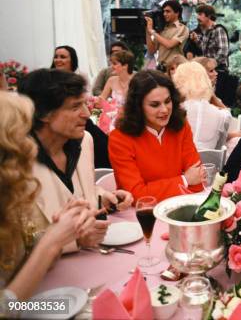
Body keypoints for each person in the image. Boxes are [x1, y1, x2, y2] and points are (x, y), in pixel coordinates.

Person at [18, 69, 133, 252]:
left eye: (85, 104)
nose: (87, 114)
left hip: (90, 261)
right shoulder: (16, 163)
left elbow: (72, 191)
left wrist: (102, 196)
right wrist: (76, 240)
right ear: (42, 113)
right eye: (75, 107)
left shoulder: (84, 141)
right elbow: (16, 242)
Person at [0, 92, 97, 302]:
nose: (33, 146)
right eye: (26, 136)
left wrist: (63, 233)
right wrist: (50, 242)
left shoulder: (10, 200)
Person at [109, 70, 205, 201]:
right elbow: (136, 195)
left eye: (167, 101)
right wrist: (184, 180)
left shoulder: (181, 126)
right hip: (139, 215)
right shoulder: (119, 138)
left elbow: (197, 182)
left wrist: (152, 189)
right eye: (155, 104)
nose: (164, 110)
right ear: (138, 107)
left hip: (179, 208)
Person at [173, 61, 231, 150]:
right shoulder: (222, 115)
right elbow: (220, 148)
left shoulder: (174, 111)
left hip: (179, 161)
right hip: (210, 162)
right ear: (205, 80)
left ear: (178, 82)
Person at [145, 0, 189, 71]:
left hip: (175, 69)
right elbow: (151, 51)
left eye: (168, 11)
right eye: (164, 11)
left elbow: (169, 44)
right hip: (161, 68)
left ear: (177, 13)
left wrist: (152, 31)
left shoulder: (182, 28)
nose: (164, 14)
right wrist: (147, 30)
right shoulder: (162, 29)